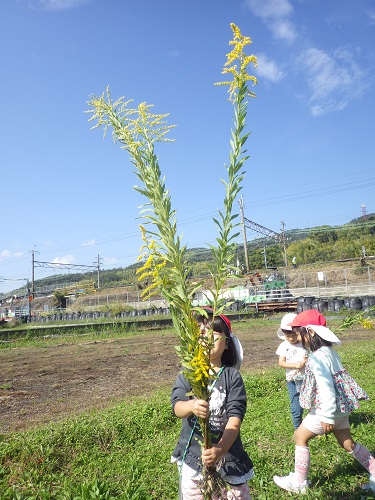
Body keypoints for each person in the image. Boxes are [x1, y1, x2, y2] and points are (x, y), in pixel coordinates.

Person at [273, 310, 375, 494]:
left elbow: (326, 386)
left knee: (300, 436)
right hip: (340, 409)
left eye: (298, 333)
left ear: (310, 332)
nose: (297, 337)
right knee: (348, 443)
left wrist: (327, 417)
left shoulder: (317, 357)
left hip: (326, 411)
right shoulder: (328, 351)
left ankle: (299, 482)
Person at [171, 310, 254, 499]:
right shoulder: (189, 373)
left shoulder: (232, 376)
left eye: (214, 335)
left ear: (227, 344)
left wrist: (221, 448)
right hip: (194, 455)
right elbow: (177, 407)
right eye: (201, 335)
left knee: (234, 494)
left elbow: (235, 418)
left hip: (227, 454)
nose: (206, 340)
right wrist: (191, 406)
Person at [276, 313, 308, 430]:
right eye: (288, 336)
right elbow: (281, 362)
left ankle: (313, 428)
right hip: (293, 380)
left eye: (294, 335)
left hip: (307, 379)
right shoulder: (284, 346)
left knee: (312, 404)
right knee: (296, 406)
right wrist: (296, 365)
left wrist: (307, 360)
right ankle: (298, 429)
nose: (291, 339)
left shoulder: (306, 343)